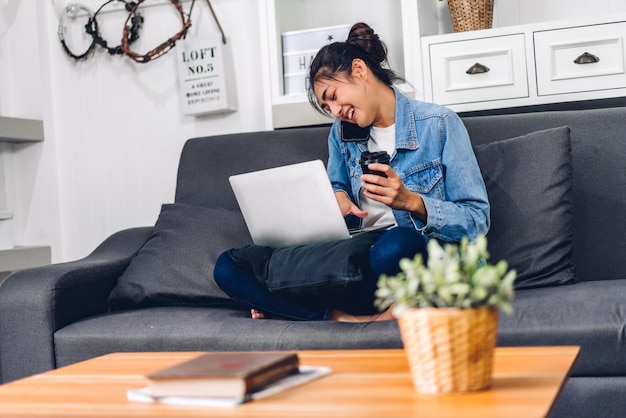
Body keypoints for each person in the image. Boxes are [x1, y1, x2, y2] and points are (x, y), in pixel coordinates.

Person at [213, 22, 489, 322]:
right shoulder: (340, 134)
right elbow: (337, 186)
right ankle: (342, 316)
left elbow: (477, 221)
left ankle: (293, 305)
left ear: (359, 70)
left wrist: (412, 202)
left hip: (408, 261)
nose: (334, 111)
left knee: (397, 244)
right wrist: (338, 199)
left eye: (332, 95)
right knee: (228, 266)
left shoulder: (439, 124)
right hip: (355, 264)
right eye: (325, 106)